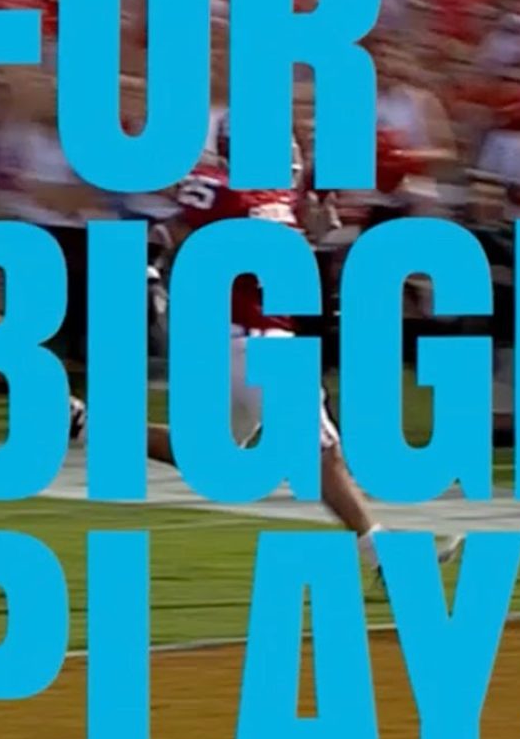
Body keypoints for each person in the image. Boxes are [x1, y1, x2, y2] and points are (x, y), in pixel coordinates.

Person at [70, 112, 458, 591]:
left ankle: (81, 423)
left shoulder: (279, 197)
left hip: (236, 340)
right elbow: (168, 232)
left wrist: (317, 225)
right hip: (246, 337)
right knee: (322, 452)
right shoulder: (219, 190)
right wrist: (150, 276)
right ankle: (383, 555)